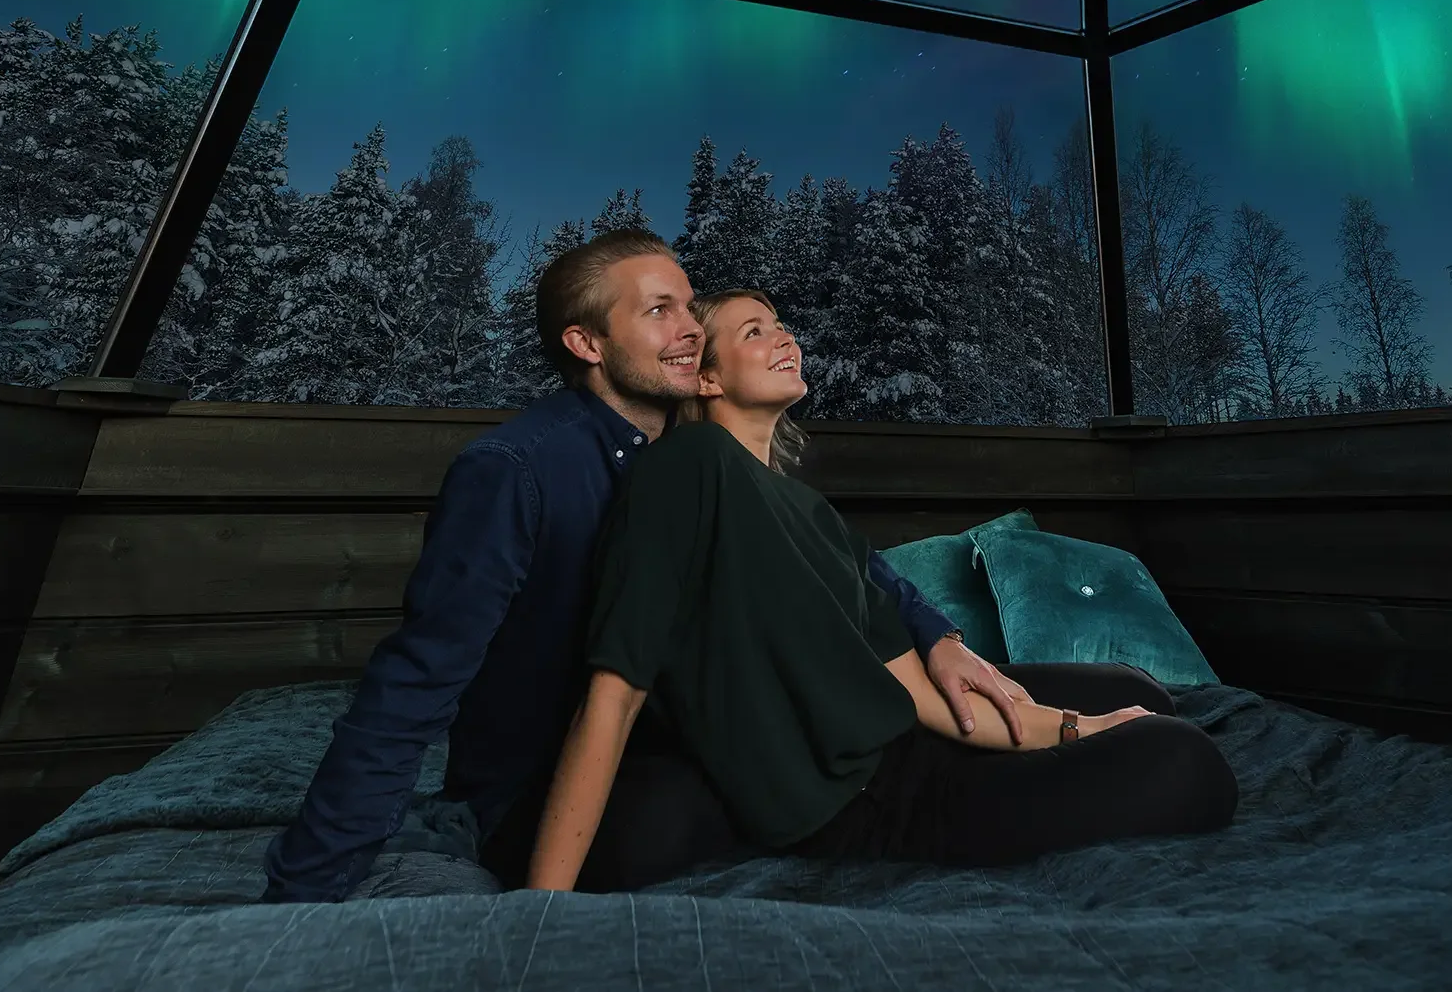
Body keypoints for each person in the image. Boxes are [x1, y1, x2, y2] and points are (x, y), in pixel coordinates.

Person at [262, 229, 1146, 899]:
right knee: (711, 803)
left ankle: (1018, 735)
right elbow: (415, 681)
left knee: (1119, 689)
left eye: (691, 309)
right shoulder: (518, 472)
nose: (689, 330)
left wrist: (942, 636)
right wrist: (307, 891)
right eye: (659, 312)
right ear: (586, 344)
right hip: (576, 778)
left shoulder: (700, 459)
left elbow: (855, 568)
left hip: (703, 725)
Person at [525, 289, 1237, 889]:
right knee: (1184, 758)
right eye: (753, 331)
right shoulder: (690, 467)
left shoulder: (801, 508)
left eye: (780, 324)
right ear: (706, 377)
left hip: (904, 738)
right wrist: (537, 910)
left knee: (1140, 691)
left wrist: (984, 669)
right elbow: (613, 692)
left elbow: (905, 659)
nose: (784, 338)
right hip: (875, 796)